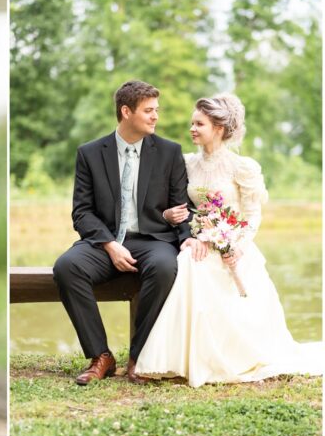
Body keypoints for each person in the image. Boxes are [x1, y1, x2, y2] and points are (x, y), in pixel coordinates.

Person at [135, 94, 325, 387]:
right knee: (188, 262)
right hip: (200, 242)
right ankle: (180, 358)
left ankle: (230, 356)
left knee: (203, 269)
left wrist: (236, 245)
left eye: (199, 124)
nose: (192, 129)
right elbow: (177, 207)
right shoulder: (186, 164)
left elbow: (252, 215)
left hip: (234, 246)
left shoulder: (242, 167)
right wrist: (173, 218)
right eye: (192, 123)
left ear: (219, 128)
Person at [51, 80, 206, 386]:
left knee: (165, 267)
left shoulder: (169, 152)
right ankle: (101, 356)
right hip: (104, 242)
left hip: (154, 240)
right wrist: (110, 244)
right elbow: (81, 212)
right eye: (148, 111)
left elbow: (181, 205)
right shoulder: (90, 153)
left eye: (156, 110)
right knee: (66, 267)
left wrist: (186, 234)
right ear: (126, 112)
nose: (155, 117)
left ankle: (139, 357)